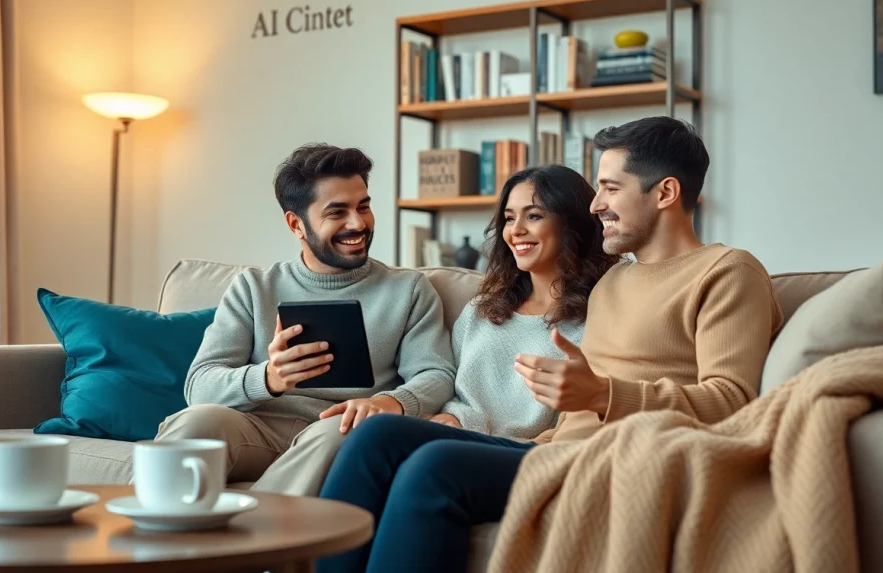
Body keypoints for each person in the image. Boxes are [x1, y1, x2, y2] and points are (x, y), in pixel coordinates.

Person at [316, 116, 785, 573]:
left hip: (625, 460)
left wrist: (603, 394)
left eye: (611, 188)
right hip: (558, 452)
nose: (596, 203)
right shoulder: (613, 283)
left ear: (665, 192)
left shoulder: (727, 272)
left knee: (433, 467)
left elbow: (734, 402)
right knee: (378, 436)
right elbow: (569, 419)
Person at [152, 142, 457, 497]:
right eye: (337, 212)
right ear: (296, 224)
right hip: (256, 428)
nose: (358, 223)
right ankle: (147, 543)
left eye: (364, 206)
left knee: (344, 433)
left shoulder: (408, 290)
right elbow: (200, 386)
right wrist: (268, 377)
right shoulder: (254, 287)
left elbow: (436, 374)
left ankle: (258, 541)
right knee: (196, 422)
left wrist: (387, 402)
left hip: (339, 426)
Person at [428, 165, 616, 439]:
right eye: (508, 218)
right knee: (379, 430)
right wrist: (450, 417)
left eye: (534, 216)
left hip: (525, 452)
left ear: (571, 223)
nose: (515, 230)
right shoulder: (481, 309)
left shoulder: (601, 315)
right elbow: (449, 387)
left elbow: (580, 420)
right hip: (457, 438)